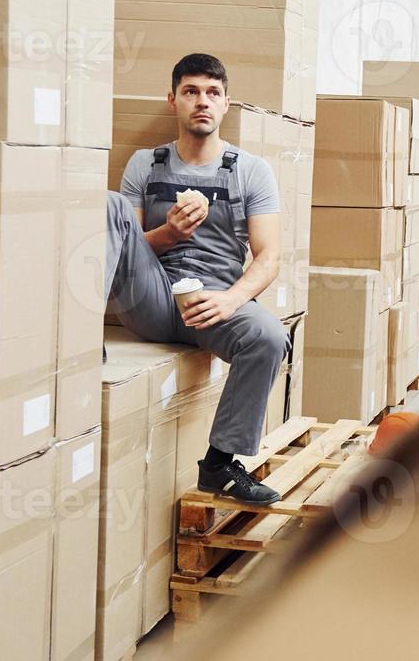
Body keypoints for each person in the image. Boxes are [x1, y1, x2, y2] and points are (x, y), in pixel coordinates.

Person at [103, 53, 286, 506]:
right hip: (152, 297)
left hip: (213, 304)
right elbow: (128, 241)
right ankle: (77, 337)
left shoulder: (250, 170)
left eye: (212, 92)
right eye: (191, 92)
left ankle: (220, 465)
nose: (201, 101)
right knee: (105, 204)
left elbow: (268, 257)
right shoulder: (146, 165)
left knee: (268, 336)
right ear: (173, 101)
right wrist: (169, 233)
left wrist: (230, 301)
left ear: (226, 104)